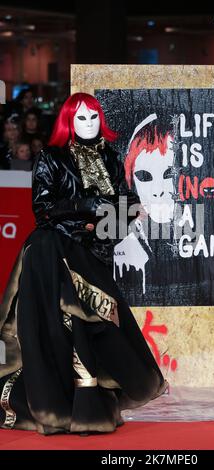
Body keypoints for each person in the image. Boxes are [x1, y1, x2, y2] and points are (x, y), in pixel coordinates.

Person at [0, 92, 167, 435]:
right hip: (53, 252)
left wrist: (124, 214)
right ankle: (65, 409)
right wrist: (89, 210)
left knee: (99, 328)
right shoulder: (52, 156)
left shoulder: (110, 154)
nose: (88, 125)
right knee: (65, 326)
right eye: (81, 118)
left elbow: (124, 199)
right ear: (68, 122)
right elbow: (43, 210)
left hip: (95, 251)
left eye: (93, 118)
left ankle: (92, 408)